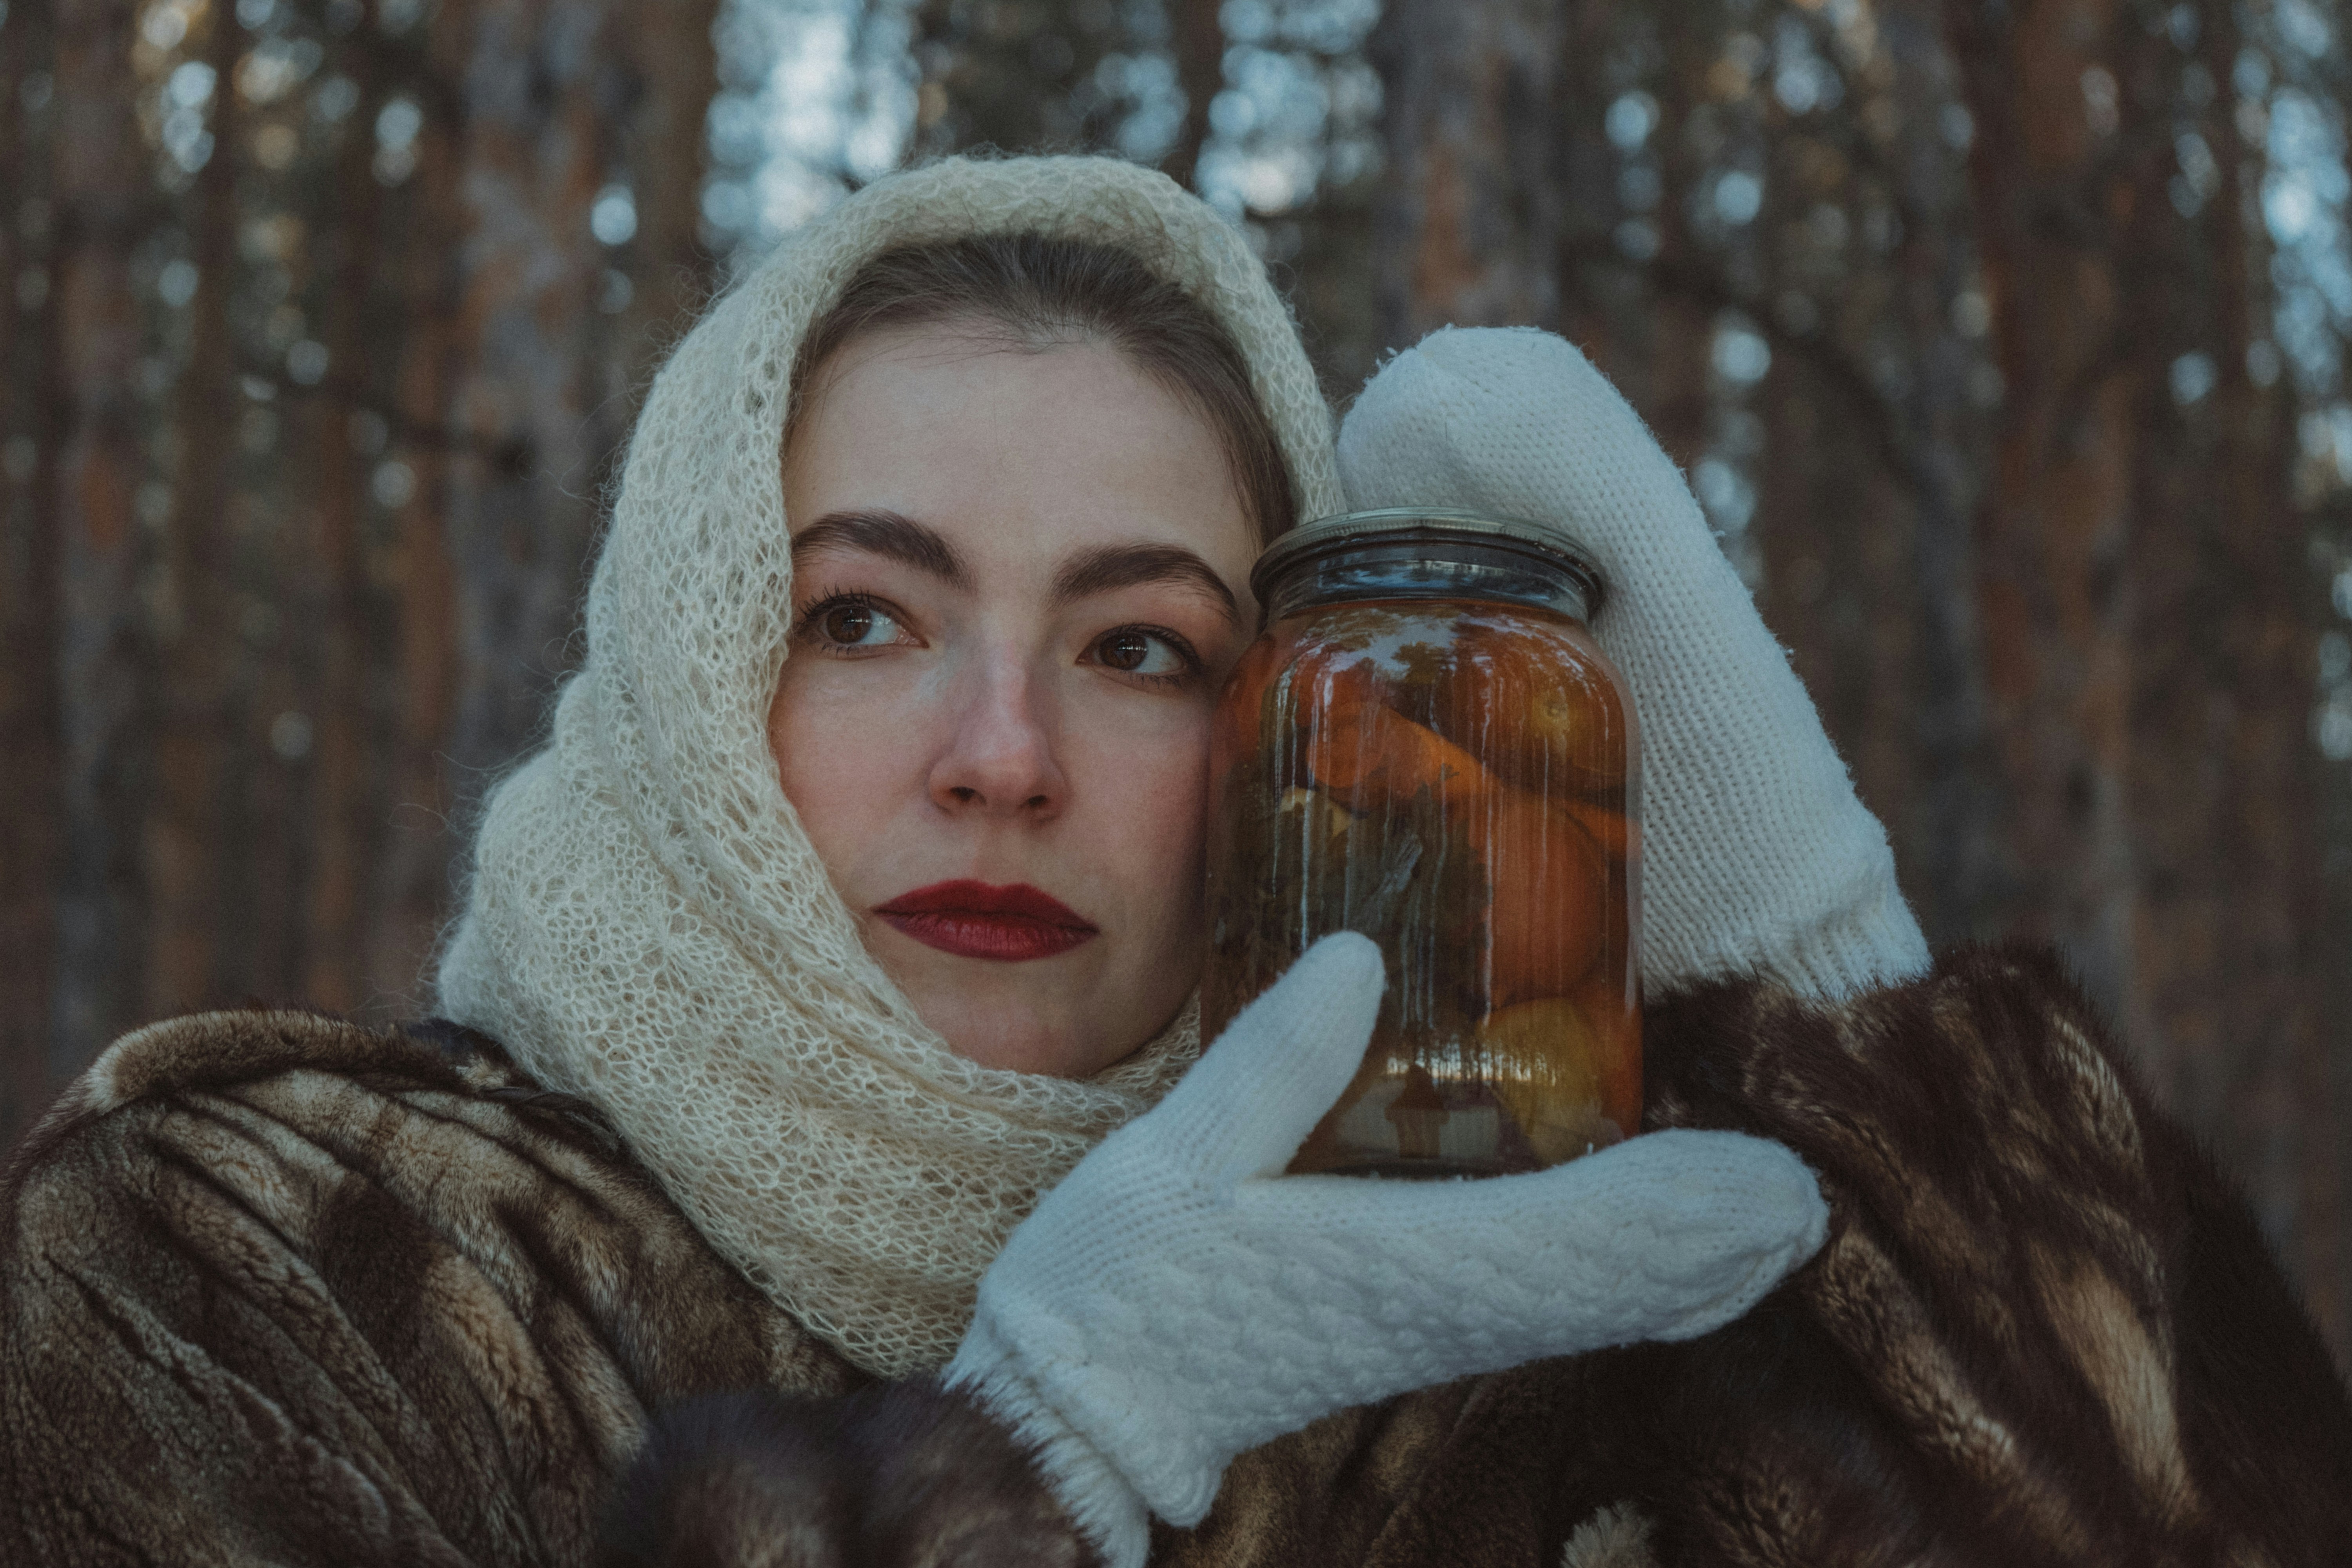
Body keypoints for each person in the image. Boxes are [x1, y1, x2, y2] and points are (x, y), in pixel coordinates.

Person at [0, 154, 2344, 1568]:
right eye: (865, 616)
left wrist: (1845, 1012)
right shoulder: (246, 1265)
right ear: (695, 685)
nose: (1002, 754)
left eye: (1138, 646)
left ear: (1292, 748)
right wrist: (1023, 1467)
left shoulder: (1514, 1324)